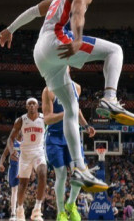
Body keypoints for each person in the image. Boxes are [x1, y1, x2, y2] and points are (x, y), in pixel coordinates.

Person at [0, 0, 134, 192]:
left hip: (40, 55)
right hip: (57, 42)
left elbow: (33, 12)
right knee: (115, 51)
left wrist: (10, 30)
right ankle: (110, 98)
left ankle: (80, 168)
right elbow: (78, 12)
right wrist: (77, 38)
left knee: (72, 109)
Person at [42, 80, 97, 221]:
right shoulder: (48, 90)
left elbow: (77, 110)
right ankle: (60, 212)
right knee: (61, 176)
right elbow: (47, 119)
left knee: (79, 172)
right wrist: (67, 113)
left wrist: (86, 126)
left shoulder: (77, 87)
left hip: (72, 136)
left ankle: (71, 204)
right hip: (55, 138)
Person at [7, 98, 47, 221]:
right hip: (25, 154)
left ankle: (37, 209)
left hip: (39, 152)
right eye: (29, 104)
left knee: (43, 174)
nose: (31, 105)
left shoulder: (44, 118)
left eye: (33, 103)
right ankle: (19, 210)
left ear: (38, 106)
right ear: (26, 107)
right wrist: (11, 150)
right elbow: (10, 139)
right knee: (23, 185)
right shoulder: (21, 120)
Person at [0, 134, 22, 221]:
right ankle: (13, 213)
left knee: (21, 190)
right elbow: (4, 154)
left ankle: (20, 210)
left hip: (22, 167)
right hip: (13, 168)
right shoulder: (12, 143)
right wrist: (1, 163)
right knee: (14, 191)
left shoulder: (26, 143)